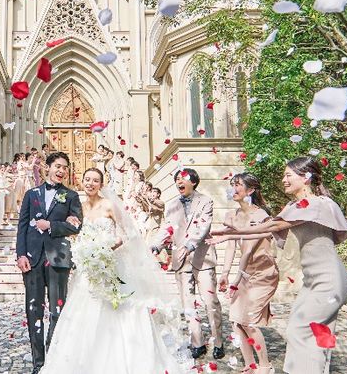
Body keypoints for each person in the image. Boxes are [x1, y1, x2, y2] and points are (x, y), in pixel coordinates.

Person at [209, 157, 347, 374]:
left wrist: (232, 233)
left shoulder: (318, 203)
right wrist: (231, 235)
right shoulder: (295, 206)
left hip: (329, 279)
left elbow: (272, 225)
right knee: (317, 334)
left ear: (306, 177)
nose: (283, 179)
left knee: (299, 329)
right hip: (313, 280)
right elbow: (268, 229)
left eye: (288, 175)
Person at [41, 168, 189, 373]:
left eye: (95, 180)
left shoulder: (109, 205)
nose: (90, 183)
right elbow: (76, 234)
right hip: (87, 269)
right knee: (83, 311)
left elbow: (128, 233)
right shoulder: (79, 208)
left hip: (110, 264)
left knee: (116, 308)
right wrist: (83, 250)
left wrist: (106, 248)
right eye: (87, 179)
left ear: (101, 185)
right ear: (82, 182)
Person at [16, 151, 83, 374]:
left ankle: (53, 361)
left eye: (65, 167)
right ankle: (38, 363)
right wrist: (21, 254)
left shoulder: (71, 196)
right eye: (58, 166)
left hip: (58, 260)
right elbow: (22, 226)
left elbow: (77, 225)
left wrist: (52, 226)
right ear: (48, 167)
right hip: (32, 259)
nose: (61, 170)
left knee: (57, 311)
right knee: (33, 310)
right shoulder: (31, 194)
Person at [156, 168, 224, 361]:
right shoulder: (171, 206)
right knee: (188, 303)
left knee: (210, 302)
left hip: (203, 258)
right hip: (181, 260)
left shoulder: (206, 201)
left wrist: (190, 244)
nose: (179, 181)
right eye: (177, 179)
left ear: (193, 181)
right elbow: (167, 228)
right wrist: (156, 245)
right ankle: (197, 342)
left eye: (183, 178)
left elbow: (203, 225)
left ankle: (218, 342)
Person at [218, 173, 278, 374]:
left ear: (250, 190)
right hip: (244, 273)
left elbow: (249, 250)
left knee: (249, 321)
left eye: (238, 185)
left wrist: (236, 279)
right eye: (232, 185)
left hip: (263, 273)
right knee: (236, 321)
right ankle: (250, 365)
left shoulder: (260, 216)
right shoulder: (231, 215)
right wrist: (225, 273)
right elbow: (231, 246)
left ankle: (265, 366)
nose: (233, 189)